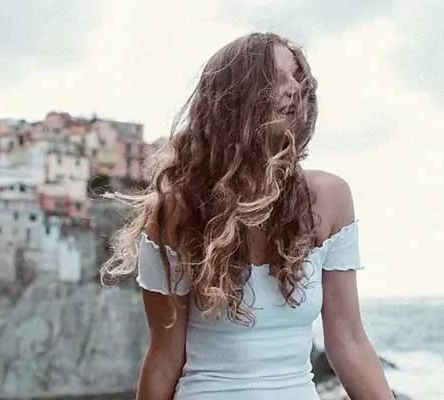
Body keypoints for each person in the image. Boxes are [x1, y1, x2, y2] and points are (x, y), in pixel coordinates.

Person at [101, 32, 394, 400]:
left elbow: (349, 342)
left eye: (299, 77)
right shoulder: (178, 209)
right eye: (276, 77)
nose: (295, 88)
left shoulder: (329, 199)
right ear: (234, 98)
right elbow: (164, 356)